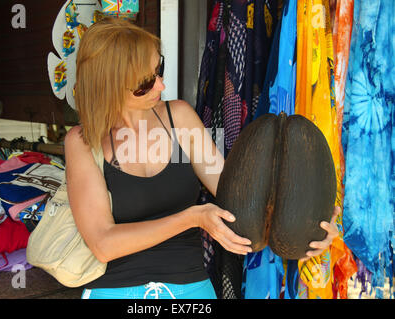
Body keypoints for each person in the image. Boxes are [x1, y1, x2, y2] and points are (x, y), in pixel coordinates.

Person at [64, 18, 340, 299]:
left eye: (159, 69)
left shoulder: (181, 117)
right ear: (107, 85)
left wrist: (307, 220)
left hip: (191, 288)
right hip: (115, 290)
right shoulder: (81, 142)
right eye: (145, 83)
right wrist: (193, 217)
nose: (160, 85)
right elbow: (103, 243)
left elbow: (239, 199)